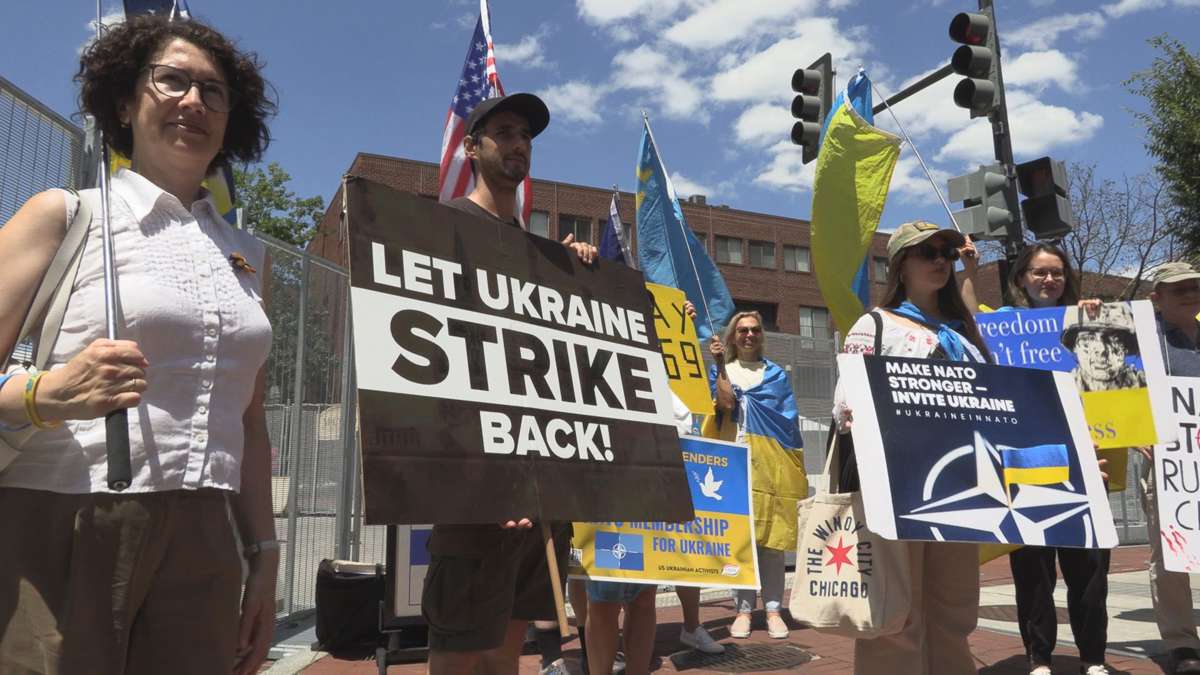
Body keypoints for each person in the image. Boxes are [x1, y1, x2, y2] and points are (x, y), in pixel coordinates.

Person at [0, 15, 277, 675]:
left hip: (208, 531)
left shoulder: (248, 256)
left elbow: (249, 420)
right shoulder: (64, 215)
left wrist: (263, 552)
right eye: (172, 80)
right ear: (124, 103)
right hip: (68, 517)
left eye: (213, 91)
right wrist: (46, 394)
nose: (194, 101)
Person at [421, 92, 598, 675]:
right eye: (504, 132)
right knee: (459, 651)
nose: (519, 143)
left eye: (526, 135)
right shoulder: (442, 228)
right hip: (476, 494)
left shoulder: (539, 252)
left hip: (541, 491)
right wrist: (484, 481)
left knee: (506, 652)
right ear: (472, 148)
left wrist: (572, 273)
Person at [834, 220, 990, 675]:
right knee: (896, 613)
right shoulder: (874, 324)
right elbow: (846, 399)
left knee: (955, 608)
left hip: (960, 484)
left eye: (946, 252)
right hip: (896, 484)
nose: (940, 260)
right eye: (927, 253)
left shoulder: (965, 334)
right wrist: (858, 410)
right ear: (901, 266)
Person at [964, 242, 1113, 675]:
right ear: (1021, 279)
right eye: (1039, 272)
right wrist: (969, 270)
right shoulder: (1006, 324)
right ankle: (1039, 657)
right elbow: (971, 318)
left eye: (1057, 272)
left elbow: (1116, 386)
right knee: (1033, 570)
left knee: (1089, 570)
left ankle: (1093, 658)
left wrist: (1097, 317)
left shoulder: (1085, 320)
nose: (1049, 279)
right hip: (1026, 461)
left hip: (1088, 461)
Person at [708, 311, 804, 641]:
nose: (749, 335)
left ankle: (774, 609)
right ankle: (744, 610)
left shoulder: (775, 374)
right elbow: (723, 405)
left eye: (755, 330)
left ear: (761, 335)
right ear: (732, 336)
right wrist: (719, 364)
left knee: (771, 542)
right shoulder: (721, 370)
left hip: (770, 462)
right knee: (741, 538)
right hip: (734, 461)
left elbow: (788, 421)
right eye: (742, 330)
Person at [1138, 262, 1200, 674]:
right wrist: (1135, 432)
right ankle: (1182, 643)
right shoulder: (1141, 340)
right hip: (1169, 461)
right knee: (1172, 554)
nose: (1190, 293)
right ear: (1156, 298)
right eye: (1179, 289)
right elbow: (1111, 387)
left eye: (1194, 286)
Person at [1061, 303, 1147, 392]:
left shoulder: (1146, 383)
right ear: (1074, 346)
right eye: (1088, 338)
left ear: (1126, 347)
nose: (1101, 349)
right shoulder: (1062, 387)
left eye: (1114, 339)